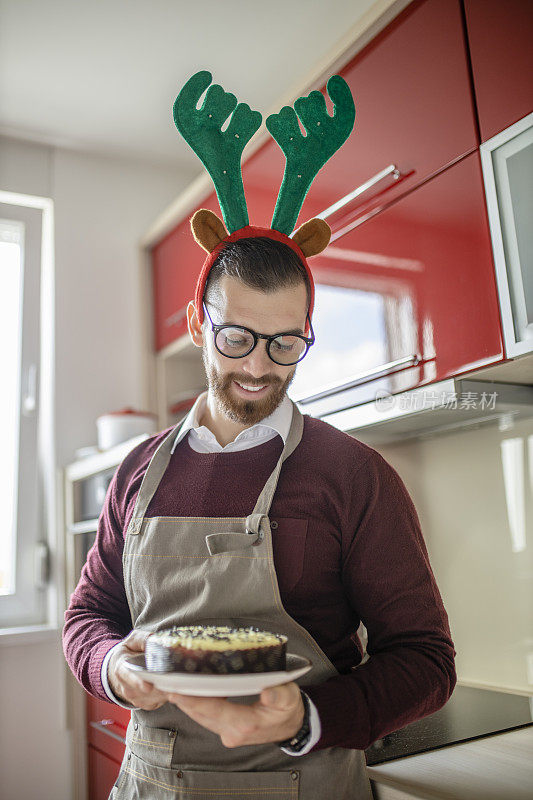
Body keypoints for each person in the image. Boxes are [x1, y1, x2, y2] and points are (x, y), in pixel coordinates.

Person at [63, 70, 456, 799]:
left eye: (285, 344)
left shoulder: (353, 475)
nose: (259, 368)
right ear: (196, 328)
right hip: (152, 783)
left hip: (304, 781)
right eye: (237, 337)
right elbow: (88, 616)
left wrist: (306, 715)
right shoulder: (136, 471)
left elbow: (426, 661)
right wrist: (113, 667)